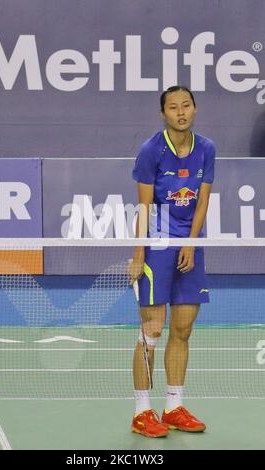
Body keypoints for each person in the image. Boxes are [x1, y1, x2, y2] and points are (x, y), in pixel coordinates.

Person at [128, 85, 216, 438]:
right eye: (173, 107)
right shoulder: (151, 150)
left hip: (189, 246)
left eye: (186, 105)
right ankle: (141, 411)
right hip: (156, 248)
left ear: (195, 109)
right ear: (163, 114)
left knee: (183, 328)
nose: (180, 112)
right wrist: (138, 255)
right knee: (152, 330)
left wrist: (192, 244)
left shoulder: (207, 149)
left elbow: (203, 202)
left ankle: (173, 406)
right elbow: (143, 207)